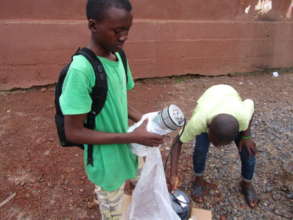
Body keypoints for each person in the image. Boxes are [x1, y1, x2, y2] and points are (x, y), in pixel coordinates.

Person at [59, 0, 164, 219]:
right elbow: (74, 132)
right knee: (114, 212)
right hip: (105, 162)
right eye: (117, 31)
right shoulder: (81, 70)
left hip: (128, 148)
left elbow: (118, 101)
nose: (124, 36)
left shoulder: (118, 56)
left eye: (127, 29)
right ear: (93, 25)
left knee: (140, 190)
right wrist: (131, 136)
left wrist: (146, 119)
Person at [169, 84, 259, 208]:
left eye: (223, 145)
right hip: (210, 97)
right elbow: (177, 142)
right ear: (208, 129)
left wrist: (246, 137)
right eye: (215, 142)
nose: (217, 147)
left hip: (229, 96)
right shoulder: (198, 122)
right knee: (200, 149)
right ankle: (198, 179)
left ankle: (246, 184)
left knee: (248, 151)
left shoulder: (243, 117)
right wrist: (173, 174)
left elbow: (250, 103)